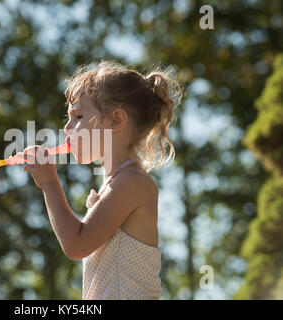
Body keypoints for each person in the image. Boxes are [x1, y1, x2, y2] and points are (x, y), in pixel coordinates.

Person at [19, 59, 182, 300]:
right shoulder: (116, 182)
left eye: (78, 115)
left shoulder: (131, 182)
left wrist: (50, 184)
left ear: (116, 120)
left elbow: (76, 245)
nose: (67, 127)